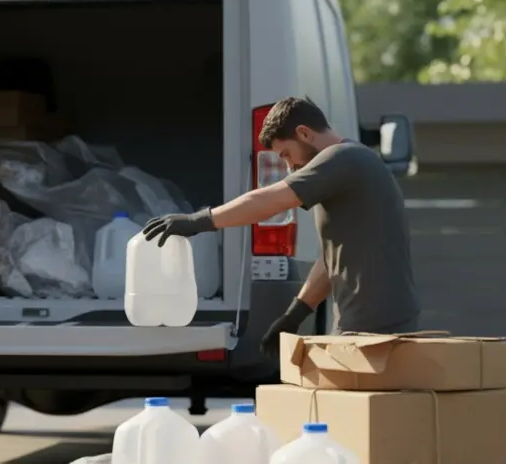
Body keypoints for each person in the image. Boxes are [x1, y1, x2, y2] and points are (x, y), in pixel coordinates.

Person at [142, 96, 420, 358]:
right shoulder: (349, 167)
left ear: (305, 133)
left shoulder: (343, 158)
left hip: (377, 325)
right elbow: (333, 259)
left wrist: (197, 222)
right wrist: (294, 315)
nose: (290, 166)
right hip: (371, 321)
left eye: (287, 154)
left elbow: (269, 200)